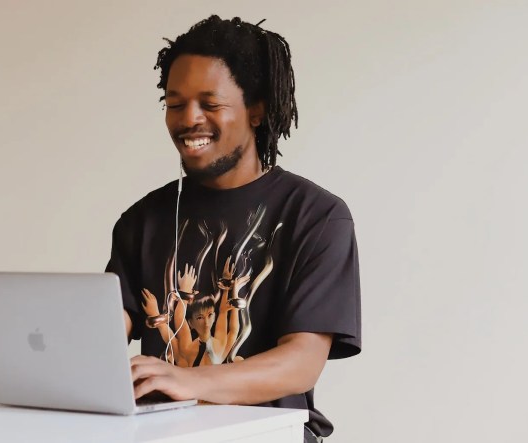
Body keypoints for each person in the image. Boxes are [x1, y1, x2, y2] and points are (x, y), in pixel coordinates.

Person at [106, 15, 361, 442]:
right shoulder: (142, 219)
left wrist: (189, 382)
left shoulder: (316, 216)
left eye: (210, 103)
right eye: (174, 103)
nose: (189, 119)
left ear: (256, 110)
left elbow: (301, 362)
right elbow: (106, 331)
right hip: (165, 435)